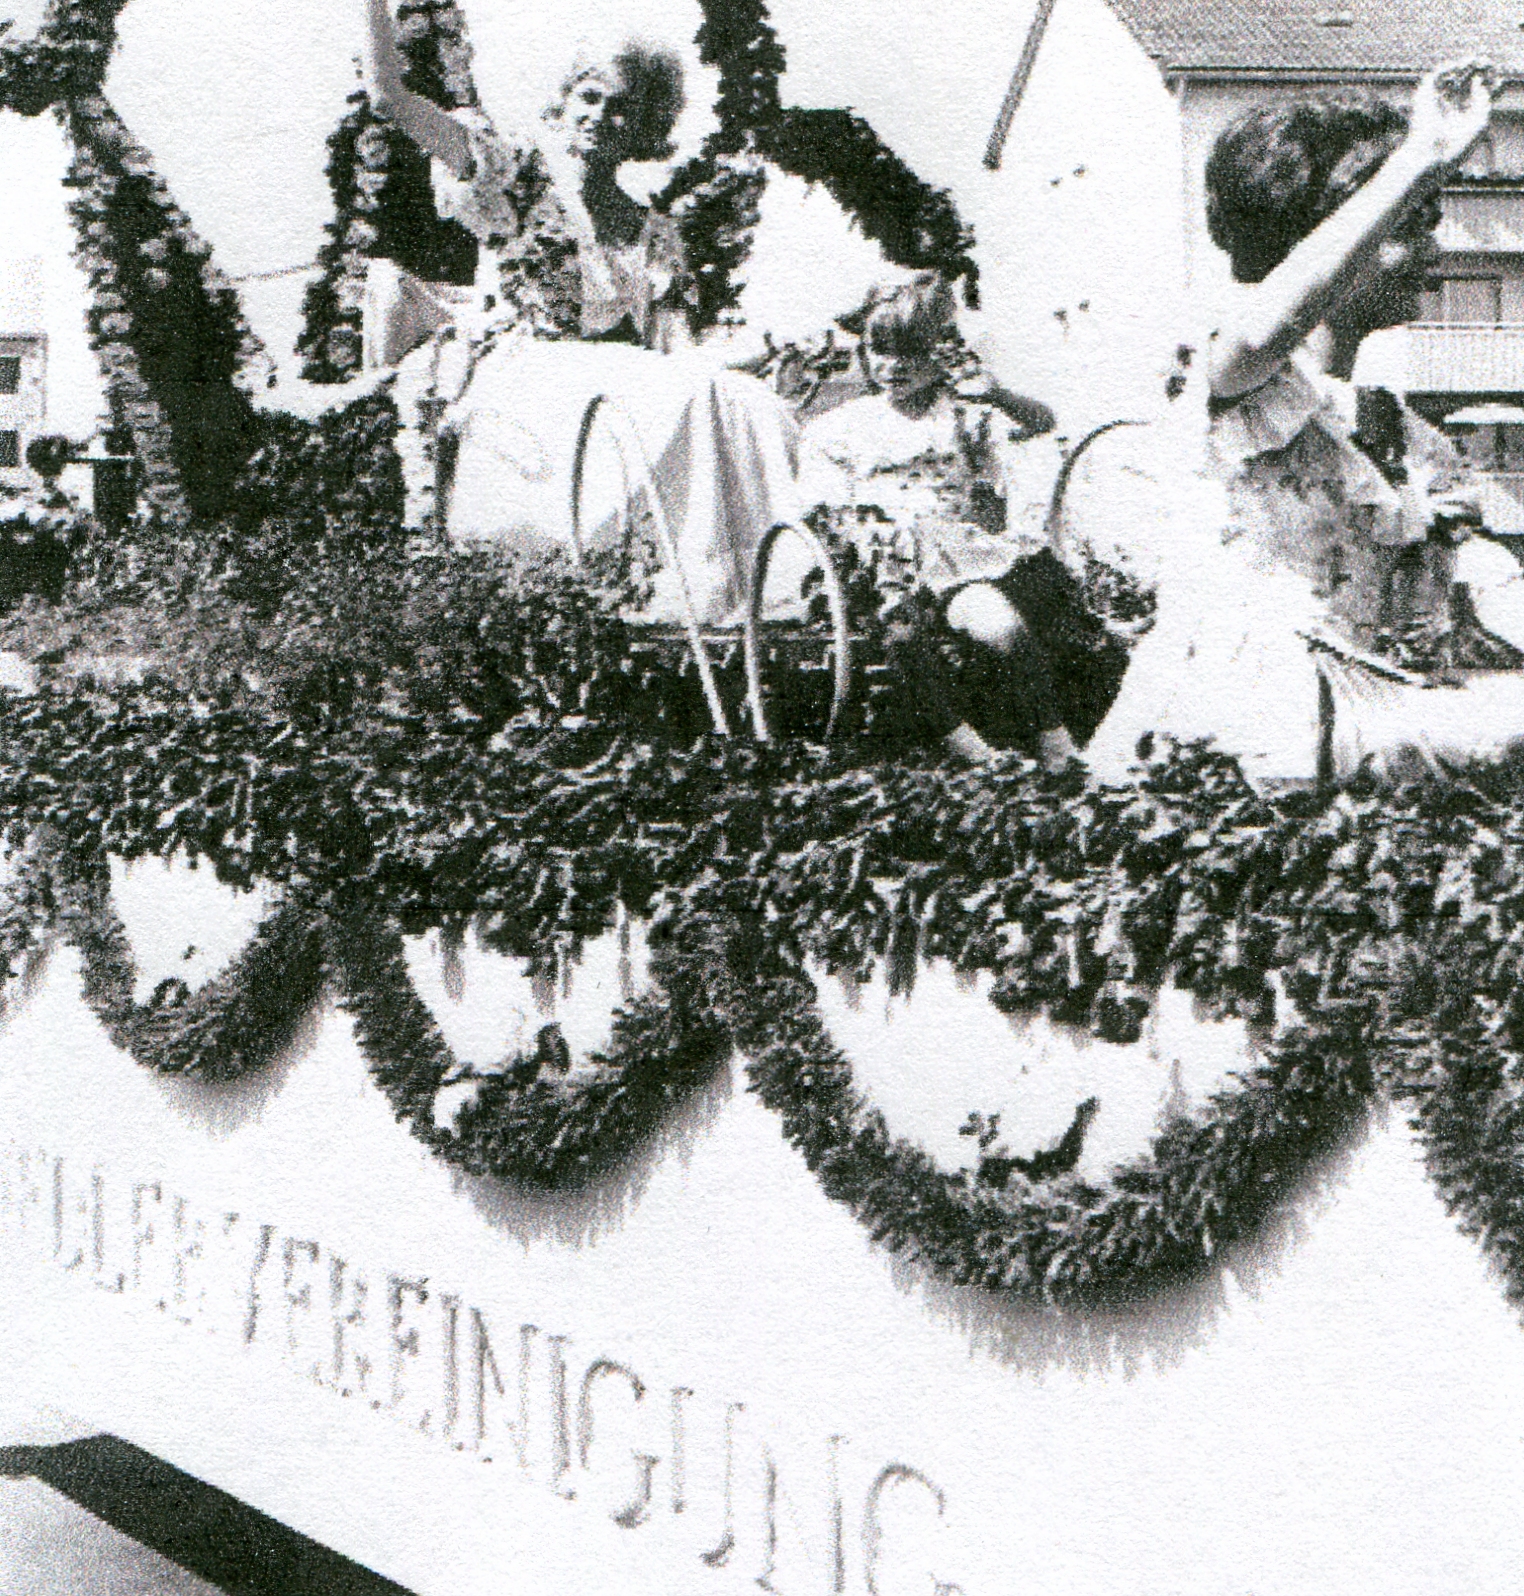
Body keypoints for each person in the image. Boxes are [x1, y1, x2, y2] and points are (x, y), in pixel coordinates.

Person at [1078, 59, 1524, 788]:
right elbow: (1265, 332)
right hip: (1245, 725)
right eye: (1410, 226)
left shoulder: (1402, 434)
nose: (1437, 254)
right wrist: (1420, 154)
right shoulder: (1225, 374)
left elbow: (1480, 588)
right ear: (1332, 238)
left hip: (1366, 720)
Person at [361, 0, 806, 636]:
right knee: (692, 389)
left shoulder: (654, 232)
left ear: (644, 125)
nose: (601, 115)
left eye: (623, 107)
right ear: (564, 102)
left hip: (609, 382)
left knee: (748, 401)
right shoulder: (513, 177)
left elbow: (676, 353)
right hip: (521, 374)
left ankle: (747, 588)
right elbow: (390, 99)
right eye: (590, 97)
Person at [801, 275, 1119, 769]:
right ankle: (970, 750)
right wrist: (864, 539)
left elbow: (1041, 422)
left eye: (911, 353)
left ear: (940, 355)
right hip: (880, 563)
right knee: (902, 631)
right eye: (881, 351)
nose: (894, 366)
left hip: (954, 561)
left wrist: (999, 396)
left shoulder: (961, 414)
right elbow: (824, 506)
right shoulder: (842, 426)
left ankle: (1054, 742)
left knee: (1003, 626)